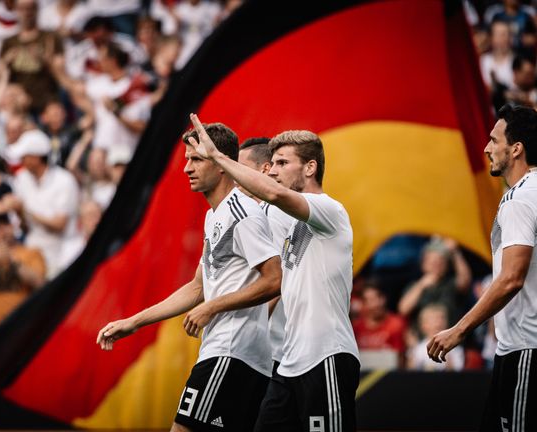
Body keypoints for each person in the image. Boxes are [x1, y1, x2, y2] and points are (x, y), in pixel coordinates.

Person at [97, 122, 282, 432]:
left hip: (232, 351)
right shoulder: (215, 215)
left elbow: (274, 280)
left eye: (196, 159)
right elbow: (198, 288)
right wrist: (133, 322)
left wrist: (212, 307)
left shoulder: (242, 212)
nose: (186, 169)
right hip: (231, 352)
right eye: (186, 159)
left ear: (222, 164)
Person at [426, 105, 537, 431]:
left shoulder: (518, 200)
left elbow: (511, 279)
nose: (487, 147)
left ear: (516, 148)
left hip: (528, 349)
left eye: (494, 140)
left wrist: (458, 330)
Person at [183, 114, 360, 431]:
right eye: (272, 164)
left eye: (281, 163)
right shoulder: (288, 221)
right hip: (289, 363)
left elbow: (274, 194)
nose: (272, 171)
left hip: (327, 354)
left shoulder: (328, 209)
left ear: (310, 168)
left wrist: (219, 157)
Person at [237, 136, 294, 373]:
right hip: (274, 349)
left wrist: (250, 335)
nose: (235, 175)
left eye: (241, 168)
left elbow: (276, 277)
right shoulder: (262, 212)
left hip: (272, 349)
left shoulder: (270, 213)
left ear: (265, 169)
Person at [0, 130, 80, 278]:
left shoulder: (64, 180)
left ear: (36, 158)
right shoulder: (22, 179)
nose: (21, 161)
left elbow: (59, 224)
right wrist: (18, 212)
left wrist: (24, 209)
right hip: (32, 251)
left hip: (61, 254)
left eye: (24, 157)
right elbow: (24, 227)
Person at [0, 213, 45, 332]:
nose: (1, 231)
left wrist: (11, 259)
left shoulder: (32, 253)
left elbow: (40, 283)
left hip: (24, 324)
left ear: (13, 227)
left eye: (5, 225)